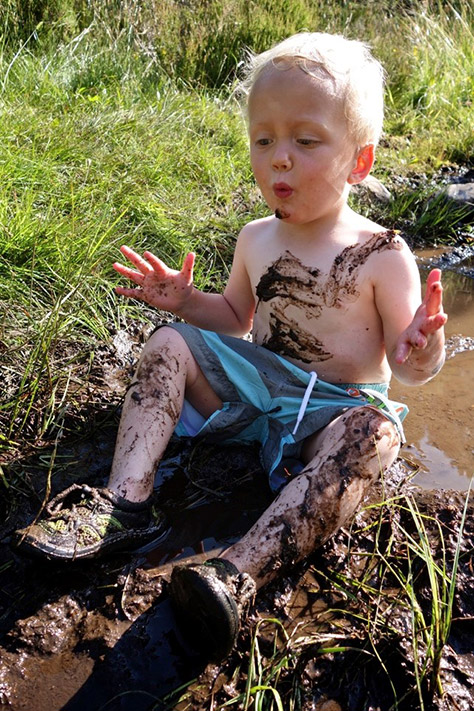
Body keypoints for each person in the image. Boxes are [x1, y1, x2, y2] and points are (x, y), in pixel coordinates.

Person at [15, 32, 447, 661]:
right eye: (263, 139)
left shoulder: (383, 254)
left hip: (333, 409)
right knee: (167, 342)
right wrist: (186, 305)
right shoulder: (255, 239)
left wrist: (422, 348)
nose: (278, 159)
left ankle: (235, 576)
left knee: (376, 434)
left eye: (305, 140)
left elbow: (410, 369)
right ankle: (123, 505)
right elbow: (236, 320)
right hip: (259, 386)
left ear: (359, 160)